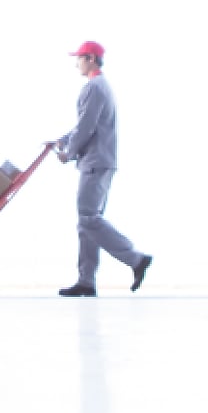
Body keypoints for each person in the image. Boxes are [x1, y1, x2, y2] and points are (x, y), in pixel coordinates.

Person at [53, 41, 151, 297]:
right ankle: (86, 281)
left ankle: (135, 259)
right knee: (87, 223)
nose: (77, 63)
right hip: (99, 161)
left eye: (79, 59)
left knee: (88, 218)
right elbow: (84, 125)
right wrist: (62, 141)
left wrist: (69, 153)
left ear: (91, 59)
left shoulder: (94, 88)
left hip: (96, 162)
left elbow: (86, 127)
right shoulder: (99, 87)